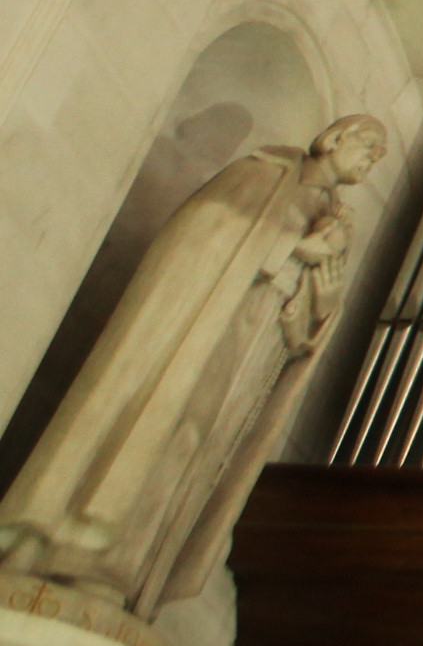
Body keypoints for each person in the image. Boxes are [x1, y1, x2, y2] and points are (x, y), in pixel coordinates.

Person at [0, 116, 388, 620]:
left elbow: (309, 323)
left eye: (380, 156)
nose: (373, 159)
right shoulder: (267, 173)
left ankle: (116, 573)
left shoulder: (338, 220)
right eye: (368, 145)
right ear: (335, 138)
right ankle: (50, 550)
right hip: (193, 331)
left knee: (182, 456)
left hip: (246, 354)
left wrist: (320, 295)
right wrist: (290, 248)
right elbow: (200, 229)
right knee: (135, 428)